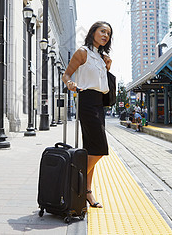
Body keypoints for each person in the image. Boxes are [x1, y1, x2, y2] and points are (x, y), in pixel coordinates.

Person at [63, 21, 112, 209]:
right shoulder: (82, 52)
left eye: (108, 33)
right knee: (100, 149)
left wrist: (107, 66)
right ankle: (74, 180)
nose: (105, 35)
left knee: (92, 149)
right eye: (102, 31)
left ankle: (87, 192)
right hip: (87, 101)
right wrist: (70, 84)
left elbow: (103, 84)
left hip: (100, 104)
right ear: (93, 32)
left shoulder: (101, 58)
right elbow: (67, 75)